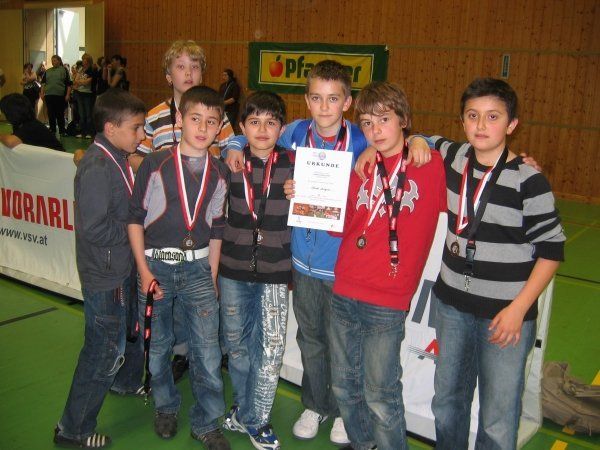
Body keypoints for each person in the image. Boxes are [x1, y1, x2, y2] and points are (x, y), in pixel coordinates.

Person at [425, 78, 565, 450]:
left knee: (498, 418)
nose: (481, 125)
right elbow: (422, 139)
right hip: (452, 307)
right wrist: (416, 143)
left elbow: (552, 251)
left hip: (506, 318)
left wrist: (519, 309)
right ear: (462, 121)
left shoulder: (529, 181)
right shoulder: (454, 156)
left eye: (493, 117)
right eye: (473, 116)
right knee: (447, 403)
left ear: (512, 124)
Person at [330, 81, 446, 450]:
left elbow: (478, 150)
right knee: (344, 385)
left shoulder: (430, 164)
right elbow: (342, 226)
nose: (375, 130)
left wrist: (422, 139)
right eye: (366, 123)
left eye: (384, 119)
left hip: (387, 298)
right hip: (344, 287)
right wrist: (310, 199)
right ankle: (363, 444)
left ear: (404, 120)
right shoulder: (362, 167)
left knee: (380, 394)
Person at [128, 86, 230, 450]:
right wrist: (143, 270)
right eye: (195, 118)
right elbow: (135, 218)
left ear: (220, 128)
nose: (202, 128)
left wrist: (212, 275)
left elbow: (217, 228)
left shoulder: (220, 172)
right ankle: (165, 406)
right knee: (158, 346)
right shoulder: (155, 164)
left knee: (207, 350)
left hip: (199, 268)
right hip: (155, 268)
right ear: (179, 119)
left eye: (211, 121)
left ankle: (206, 422)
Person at [133, 40, 236, 383]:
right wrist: (156, 174)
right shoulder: (153, 116)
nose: (188, 73)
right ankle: (178, 354)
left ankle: (203, 351)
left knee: (201, 292)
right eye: (181, 67)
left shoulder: (218, 116)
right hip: (165, 224)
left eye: (195, 67)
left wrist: (233, 151)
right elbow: (135, 153)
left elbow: (232, 148)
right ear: (168, 75)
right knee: (167, 304)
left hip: (203, 222)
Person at [53, 88, 147, 449]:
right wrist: (136, 230)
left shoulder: (117, 156)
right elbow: (94, 228)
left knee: (127, 330)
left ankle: (124, 382)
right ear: (111, 128)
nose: (142, 135)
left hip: (119, 266)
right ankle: (72, 429)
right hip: (106, 274)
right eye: (136, 128)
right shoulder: (97, 166)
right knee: (103, 349)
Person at [219, 91, 294, 450]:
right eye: (254, 122)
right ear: (242, 127)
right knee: (237, 346)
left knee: (271, 347)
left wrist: (303, 192)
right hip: (232, 268)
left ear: (282, 127)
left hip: (276, 269)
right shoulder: (229, 163)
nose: (262, 129)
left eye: (271, 122)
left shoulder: (296, 164)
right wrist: (230, 146)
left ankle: (256, 420)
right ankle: (243, 408)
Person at [41, 55, 71, 136]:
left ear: (59, 61)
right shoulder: (48, 71)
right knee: (50, 113)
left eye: (54, 60)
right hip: (49, 95)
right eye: (52, 60)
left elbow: (69, 84)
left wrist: (68, 94)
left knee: (60, 113)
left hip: (60, 95)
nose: (53, 62)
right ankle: (52, 129)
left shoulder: (64, 70)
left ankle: (62, 131)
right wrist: (42, 93)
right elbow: (43, 83)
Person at [73, 53, 95, 138]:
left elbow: (87, 83)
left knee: (88, 114)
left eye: (84, 60)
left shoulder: (91, 70)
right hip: (79, 93)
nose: (83, 61)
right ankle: (83, 132)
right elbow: (75, 80)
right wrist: (81, 82)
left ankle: (89, 132)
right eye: (82, 59)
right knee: (81, 114)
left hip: (88, 94)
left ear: (88, 61)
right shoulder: (81, 69)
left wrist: (80, 82)